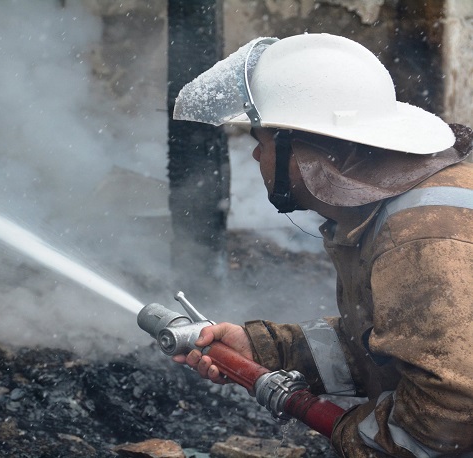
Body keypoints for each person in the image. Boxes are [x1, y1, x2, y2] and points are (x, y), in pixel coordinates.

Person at [170, 33, 473, 457]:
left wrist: (349, 438)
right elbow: (388, 343)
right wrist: (264, 349)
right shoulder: (391, 211)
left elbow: (450, 413)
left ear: (310, 148)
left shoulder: (420, 238)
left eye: (263, 141)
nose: (257, 156)